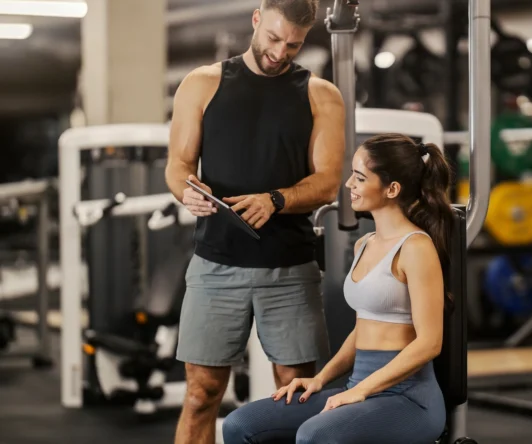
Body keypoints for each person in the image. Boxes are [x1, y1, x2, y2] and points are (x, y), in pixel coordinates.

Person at [164, 1, 345, 443]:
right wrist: (186, 190)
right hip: (215, 264)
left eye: (294, 45)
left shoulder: (320, 94)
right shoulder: (202, 84)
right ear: (256, 19)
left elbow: (327, 183)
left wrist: (276, 200)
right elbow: (178, 165)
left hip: (290, 268)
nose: (281, 52)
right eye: (274, 39)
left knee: (295, 397)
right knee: (201, 394)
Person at [221, 133, 456, 444]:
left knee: (314, 436)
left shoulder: (415, 248)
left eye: (359, 178)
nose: (349, 185)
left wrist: (361, 390)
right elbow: (362, 331)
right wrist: (320, 379)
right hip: (359, 385)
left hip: (410, 398)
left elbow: (429, 343)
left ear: (392, 189)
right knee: (240, 425)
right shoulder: (365, 243)